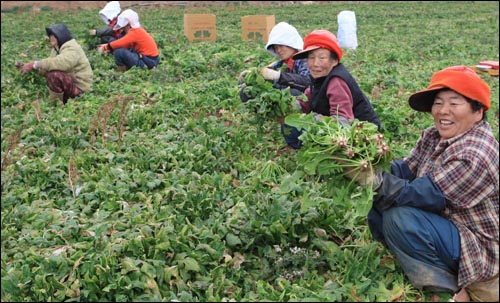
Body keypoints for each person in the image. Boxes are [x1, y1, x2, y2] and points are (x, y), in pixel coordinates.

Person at [350, 66, 499, 302]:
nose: (443, 111)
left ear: (478, 111)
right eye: (438, 103)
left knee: (400, 216)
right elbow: (405, 169)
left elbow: (421, 194)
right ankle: (408, 255)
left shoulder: (476, 154)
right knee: (379, 200)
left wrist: (375, 181)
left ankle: (449, 290)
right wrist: (367, 162)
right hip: (444, 224)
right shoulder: (433, 135)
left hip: (475, 242)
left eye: (454, 103)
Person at [283, 29, 381, 149]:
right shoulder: (319, 77)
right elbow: (307, 99)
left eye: (322, 58)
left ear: (334, 61)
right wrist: (289, 106)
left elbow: (343, 122)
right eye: (311, 58)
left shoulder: (336, 81)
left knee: (295, 128)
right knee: (289, 124)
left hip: (361, 135)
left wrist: (312, 118)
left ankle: (309, 149)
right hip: (338, 130)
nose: (315, 63)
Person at [16, 23, 93, 105]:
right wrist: (31, 68)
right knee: (51, 72)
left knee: (54, 75)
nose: (50, 38)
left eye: (53, 35)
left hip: (80, 88)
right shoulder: (56, 50)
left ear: (61, 36)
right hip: (71, 83)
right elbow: (49, 67)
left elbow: (62, 63)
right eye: (50, 35)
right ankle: (59, 101)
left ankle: (57, 104)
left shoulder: (72, 48)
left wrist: (35, 64)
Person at [239, 22, 311, 102]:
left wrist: (278, 76)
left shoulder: (304, 60)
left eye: (281, 46)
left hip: (304, 100)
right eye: (276, 48)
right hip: (279, 94)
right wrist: (252, 74)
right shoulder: (282, 63)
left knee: (294, 93)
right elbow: (266, 71)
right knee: (246, 91)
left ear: (291, 43)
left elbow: (307, 81)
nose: (278, 50)